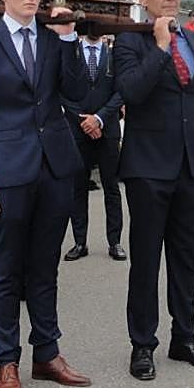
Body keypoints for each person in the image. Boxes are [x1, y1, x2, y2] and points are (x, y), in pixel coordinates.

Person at [0, 0, 91, 388]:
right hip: (6, 172)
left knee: (45, 267)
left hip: (54, 168)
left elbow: (77, 93)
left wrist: (70, 38)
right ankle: (7, 361)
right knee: (4, 271)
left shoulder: (54, 43)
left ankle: (47, 354)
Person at [114, 0, 194, 382]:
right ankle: (142, 345)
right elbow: (129, 92)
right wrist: (161, 49)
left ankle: (185, 337)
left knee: (186, 258)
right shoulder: (131, 41)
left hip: (191, 167)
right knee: (146, 260)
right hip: (147, 167)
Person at [61, 29, 126, 261]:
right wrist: (84, 120)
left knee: (111, 187)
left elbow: (121, 91)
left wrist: (98, 119)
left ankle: (115, 241)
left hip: (107, 130)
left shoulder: (113, 55)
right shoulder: (72, 53)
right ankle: (80, 242)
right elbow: (62, 90)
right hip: (78, 130)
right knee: (78, 187)